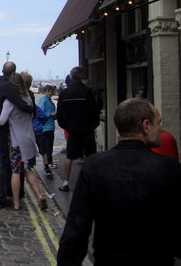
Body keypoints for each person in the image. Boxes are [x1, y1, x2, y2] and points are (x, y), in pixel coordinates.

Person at [57, 98, 181, 265]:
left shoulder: (93, 166)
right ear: (146, 125)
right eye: (158, 123)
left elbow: (76, 230)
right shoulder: (170, 168)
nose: (161, 128)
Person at [0, 72, 48, 211]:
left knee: (16, 171)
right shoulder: (28, 98)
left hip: (16, 141)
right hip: (30, 139)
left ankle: (16, 203)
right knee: (28, 169)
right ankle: (39, 195)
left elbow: (2, 121)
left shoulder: (10, 101)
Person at [0, 61, 34, 209]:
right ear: (13, 73)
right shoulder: (9, 88)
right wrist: (31, 108)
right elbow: (21, 105)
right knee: (0, 162)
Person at [56, 66, 101, 192]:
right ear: (81, 77)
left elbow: (59, 114)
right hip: (87, 129)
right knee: (91, 157)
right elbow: (94, 111)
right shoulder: (88, 92)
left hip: (73, 130)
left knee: (69, 157)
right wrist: (93, 125)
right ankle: (91, 183)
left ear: (71, 76)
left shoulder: (64, 93)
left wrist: (67, 127)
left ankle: (65, 183)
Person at [39, 84, 58, 174]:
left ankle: (49, 161)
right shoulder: (44, 101)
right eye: (49, 91)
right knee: (47, 146)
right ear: (45, 91)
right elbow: (42, 114)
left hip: (50, 126)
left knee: (49, 145)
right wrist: (51, 114)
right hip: (46, 127)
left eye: (52, 91)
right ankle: (47, 163)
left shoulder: (49, 101)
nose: (51, 93)